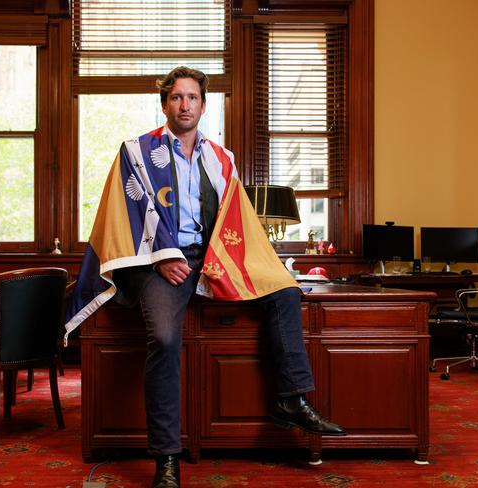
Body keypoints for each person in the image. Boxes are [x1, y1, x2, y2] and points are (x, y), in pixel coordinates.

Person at [66, 66, 345, 488]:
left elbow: (236, 218)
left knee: (284, 292)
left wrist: (244, 264)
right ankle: (166, 458)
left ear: (203, 105)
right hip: (161, 261)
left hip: (211, 256)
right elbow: (132, 209)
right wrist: (161, 259)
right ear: (165, 104)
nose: (185, 104)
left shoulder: (221, 157)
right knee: (162, 338)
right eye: (177, 97)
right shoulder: (137, 151)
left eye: (192, 97)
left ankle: (291, 398)